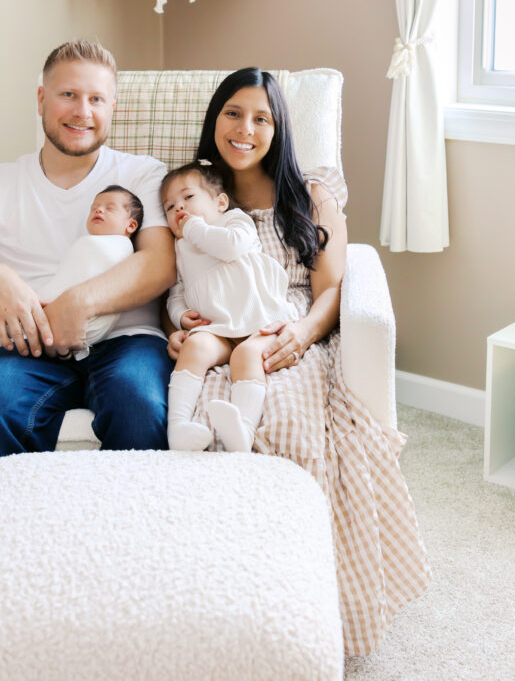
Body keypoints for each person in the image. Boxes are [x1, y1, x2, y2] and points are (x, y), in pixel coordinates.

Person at [190, 67, 430, 656]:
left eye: (261, 118)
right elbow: (176, 274)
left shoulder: (310, 194)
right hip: (220, 331)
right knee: (193, 422)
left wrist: (301, 332)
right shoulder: (196, 192)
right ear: (214, 119)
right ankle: (212, 607)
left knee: (289, 426)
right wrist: (179, 326)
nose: (245, 130)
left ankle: (292, 607)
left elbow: (331, 292)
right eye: (233, 114)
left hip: (290, 331)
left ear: (280, 130)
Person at [0, 40, 175, 477]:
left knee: (139, 402)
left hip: (127, 342)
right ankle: (14, 540)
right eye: (68, 94)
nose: (82, 111)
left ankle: (122, 540)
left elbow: (160, 264)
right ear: (41, 99)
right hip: (29, 348)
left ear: (112, 108)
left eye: (96, 99)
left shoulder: (141, 174)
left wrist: (81, 302)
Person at [161, 160, 299, 452]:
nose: (179, 210)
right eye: (169, 207)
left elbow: (231, 247)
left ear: (220, 202)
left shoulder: (235, 221)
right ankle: (178, 428)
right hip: (219, 328)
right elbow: (176, 294)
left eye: (188, 198)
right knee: (195, 347)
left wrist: (195, 228)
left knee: (247, 356)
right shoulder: (179, 249)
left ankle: (243, 433)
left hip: (261, 319)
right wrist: (181, 316)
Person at [39, 185, 143, 361]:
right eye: (94, 208)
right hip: (53, 315)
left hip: (84, 325)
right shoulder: (86, 243)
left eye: (109, 208)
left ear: (131, 225)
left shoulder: (121, 247)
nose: (99, 210)